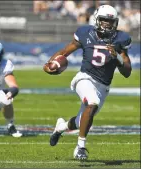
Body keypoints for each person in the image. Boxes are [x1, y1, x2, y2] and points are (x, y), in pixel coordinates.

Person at [43, 5, 132, 160]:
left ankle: (60, 127)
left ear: (116, 23)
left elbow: (127, 72)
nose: (106, 24)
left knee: (81, 121)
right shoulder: (86, 33)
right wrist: (50, 63)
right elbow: (65, 52)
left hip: (103, 86)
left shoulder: (120, 39)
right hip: (84, 78)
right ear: (97, 19)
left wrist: (117, 57)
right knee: (92, 102)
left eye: (110, 21)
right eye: (103, 20)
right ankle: (80, 147)